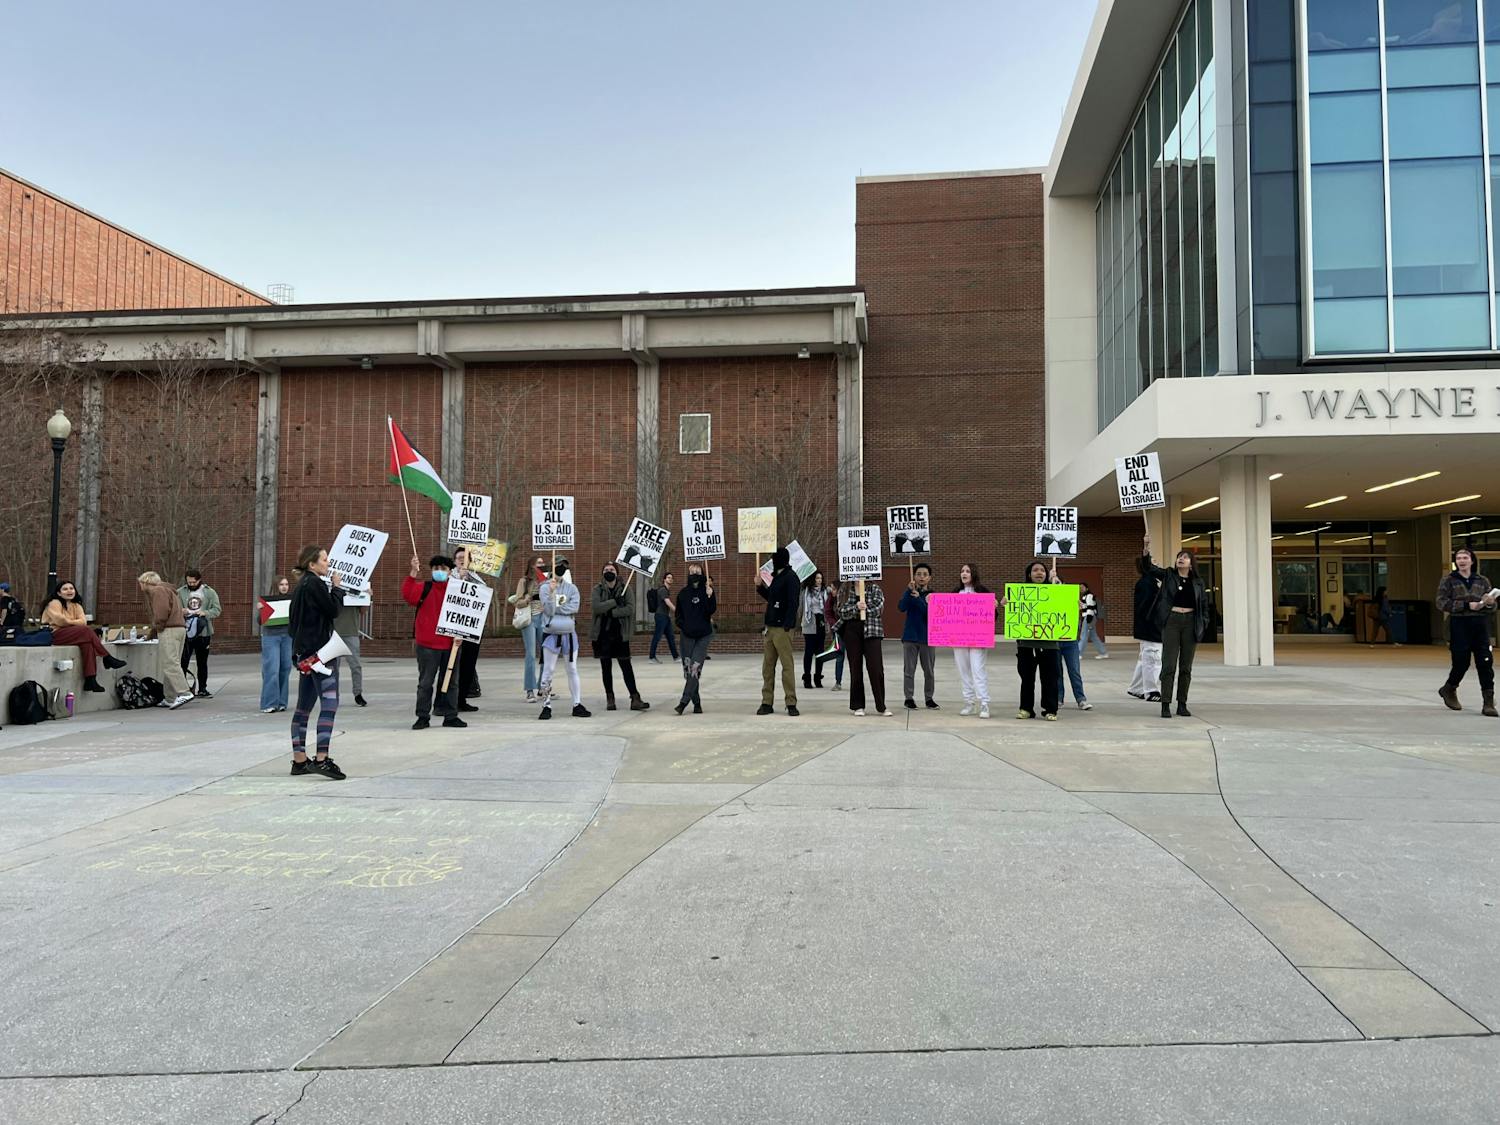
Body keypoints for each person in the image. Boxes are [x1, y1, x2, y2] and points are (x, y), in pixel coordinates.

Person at [288, 545, 347, 779]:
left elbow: (294, 624)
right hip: (321, 654)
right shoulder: (315, 583)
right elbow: (333, 610)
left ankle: (299, 760)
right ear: (312, 564)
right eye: (324, 559)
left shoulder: (301, 585)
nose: (328, 563)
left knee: (303, 707)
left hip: (305, 655)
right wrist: (338, 588)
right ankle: (321, 759)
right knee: (329, 705)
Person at [1141, 532, 1210, 718]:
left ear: (1191, 562)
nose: (1181, 559)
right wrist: (1146, 546)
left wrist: (1202, 625)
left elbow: (1204, 606)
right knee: (1169, 664)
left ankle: (1182, 703)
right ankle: (1165, 704)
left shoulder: (1198, 582)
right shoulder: (1169, 575)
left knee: (1186, 667)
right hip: (1171, 621)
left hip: (1191, 623)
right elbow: (1148, 568)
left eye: (1185, 557)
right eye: (1179, 557)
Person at [401, 554, 467, 731]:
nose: (439, 572)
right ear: (431, 571)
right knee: (425, 683)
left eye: (443, 569)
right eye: (436, 569)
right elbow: (408, 595)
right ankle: (422, 716)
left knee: (452, 682)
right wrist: (413, 572)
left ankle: (451, 715)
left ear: (449, 571)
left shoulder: (457, 589)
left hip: (452, 644)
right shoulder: (424, 587)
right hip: (427, 645)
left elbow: (467, 612)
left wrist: (462, 633)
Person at [1436, 546, 1497, 717]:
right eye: (1459, 558)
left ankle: (1488, 701)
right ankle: (1450, 688)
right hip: (1459, 624)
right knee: (1461, 662)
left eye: (1465, 558)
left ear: (1472, 560)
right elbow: (1441, 603)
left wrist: (1490, 602)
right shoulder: (1448, 580)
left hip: (1480, 624)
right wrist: (1465, 605)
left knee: (1485, 662)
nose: (1461, 561)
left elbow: (1492, 606)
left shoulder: (1482, 580)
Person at [40, 581, 127, 692]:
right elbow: (60, 621)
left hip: (72, 634)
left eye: (71, 588)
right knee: (86, 631)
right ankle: (106, 657)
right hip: (54, 634)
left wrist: (69, 622)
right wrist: (74, 622)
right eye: (65, 589)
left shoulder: (77, 605)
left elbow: (83, 622)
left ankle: (90, 680)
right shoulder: (54, 603)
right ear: (59, 593)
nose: (69, 591)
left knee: (87, 644)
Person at [591, 562, 649, 711]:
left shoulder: (626, 588)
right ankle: (610, 698)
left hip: (620, 633)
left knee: (626, 666)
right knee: (606, 667)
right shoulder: (597, 589)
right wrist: (614, 602)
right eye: (606, 570)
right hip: (602, 634)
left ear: (617, 572)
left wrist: (612, 612)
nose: (608, 572)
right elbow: (597, 607)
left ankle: (635, 697)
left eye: (611, 570)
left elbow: (630, 609)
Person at [1009, 560, 1063, 721]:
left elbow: (1064, 609)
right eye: (1035, 570)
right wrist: (1007, 602)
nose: (1039, 573)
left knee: (1050, 679)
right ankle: (1026, 709)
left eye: (1042, 570)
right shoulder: (1020, 593)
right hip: (1026, 644)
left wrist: (1072, 603)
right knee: (1027, 679)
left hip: (1049, 644)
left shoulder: (1055, 591)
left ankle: (1050, 709)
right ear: (1029, 574)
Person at [538, 557, 589, 720]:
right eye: (559, 564)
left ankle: (577, 703)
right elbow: (548, 610)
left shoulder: (572, 588)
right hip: (551, 633)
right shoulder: (544, 588)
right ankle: (546, 705)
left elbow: (574, 607)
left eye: (565, 566)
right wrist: (552, 594)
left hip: (569, 633)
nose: (562, 568)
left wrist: (558, 608)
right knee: (549, 670)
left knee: (572, 669)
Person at [137, 571, 193, 709]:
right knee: (173, 663)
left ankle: (184, 692)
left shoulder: (158, 591)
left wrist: (159, 627)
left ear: (146, 582)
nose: (140, 586)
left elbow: (161, 613)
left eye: (140, 583)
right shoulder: (169, 590)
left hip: (169, 629)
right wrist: (151, 633)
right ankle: (170, 697)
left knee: (170, 663)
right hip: (179, 629)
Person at [756, 546, 801, 716]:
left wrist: (788, 625)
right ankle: (766, 702)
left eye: (774, 558)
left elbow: (793, 603)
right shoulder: (777, 577)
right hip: (770, 626)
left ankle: (791, 702)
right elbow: (772, 598)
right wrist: (760, 587)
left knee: (786, 667)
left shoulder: (791, 578)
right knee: (768, 667)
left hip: (782, 628)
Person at [838, 579, 891, 717]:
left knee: (876, 668)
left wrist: (865, 608)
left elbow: (879, 608)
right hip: (852, 631)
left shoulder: (874, 588)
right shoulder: (845, 588)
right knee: (855, 668)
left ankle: (881, 706)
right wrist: (856, 607)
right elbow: (841, 610)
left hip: (872, 630)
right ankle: (858, 705)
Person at [674, 563, 717, 714]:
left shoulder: (707, 591)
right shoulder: (683, 593)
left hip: (703, 636)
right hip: (687, 636)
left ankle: (683, 701)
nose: (695, 573)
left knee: (695, 668)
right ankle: (697, 702)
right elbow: (678, 615)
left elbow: (711, 610)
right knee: (688, 670)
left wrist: (710, 596)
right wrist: (683, 626)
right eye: (692, 571)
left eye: (697, 571)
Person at [952, 563, 992, 718]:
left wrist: (993, 607)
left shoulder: (982, 592)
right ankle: (969, 702)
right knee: (964, 671)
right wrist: (931, 601)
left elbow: (992, 616)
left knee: (978, 669)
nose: (964, 573)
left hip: (978, 638)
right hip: (959, 638)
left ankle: (984, 703)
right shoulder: (956, 592)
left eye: (967, 571)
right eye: (962, 571)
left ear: (973, 574)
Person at [899, 563, 939, 710]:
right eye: (918, 574)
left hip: (927, 638)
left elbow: (931, 614)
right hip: (910, 637)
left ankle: (929, 698)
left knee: (929, 670)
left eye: (924, 574)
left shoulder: (932, 595)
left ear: (929, 578)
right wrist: (908, 592)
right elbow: (901, 607)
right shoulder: (909, 593)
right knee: (909, 670)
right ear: (914, 576)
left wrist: (919, 600)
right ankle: (908, 698)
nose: (921, 577)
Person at [177, 568, 222, 698]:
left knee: (202, 661)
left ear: (199, 580)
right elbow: (174, 609)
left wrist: (205, 613)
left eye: (193, 582)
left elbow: (217, 610)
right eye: (188, 582)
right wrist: (182, 611)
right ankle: (182, 688)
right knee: (183, 661)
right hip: (186, 630)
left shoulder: (209, 592)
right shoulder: (180, 592)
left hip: (203, 631)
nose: (191, 585)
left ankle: (202, 688)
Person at [1127, 557, 1164, 703]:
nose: (1158, 564)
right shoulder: (1148, 584)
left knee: (1145, 658)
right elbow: (1149, 608)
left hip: (1149, 627)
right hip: (1151, 627)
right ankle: (1151, 690)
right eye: (1154, 562)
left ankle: (1136, 688)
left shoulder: (1150, 582)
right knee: (1153, 659)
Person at [509, 557, 546, 702]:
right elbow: (517, 602)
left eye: (543, 563)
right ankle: (530, 690)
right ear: (531, 565)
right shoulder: (524, 581)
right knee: (531, 654)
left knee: (546, 654)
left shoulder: (546, 580)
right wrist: (528, 598)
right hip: (529, 619)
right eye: (539, 563)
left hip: (543, 619)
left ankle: (543, 686)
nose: (541, 565)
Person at [450, 546, 483, 704]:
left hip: (471, 627)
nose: (462, 560)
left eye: (465, 558)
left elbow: (484, 593)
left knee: (469, 663)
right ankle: (449, 698)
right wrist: (459, 579)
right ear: (454, 561)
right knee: (452, 663)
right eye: (459, 558)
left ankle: (462, 698)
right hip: (454, 626)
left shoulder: (475, 576)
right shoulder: (449, 576)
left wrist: (468, 576)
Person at [259, 575, 293, 713]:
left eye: (286, 584)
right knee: (272, 669)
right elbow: (259, 621)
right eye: (281, 584)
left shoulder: (292, 600)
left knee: (285, 668)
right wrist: (261, 610)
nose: (284, 587)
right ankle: (269, 703)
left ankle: (281, 701)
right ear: (276, 586)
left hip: (287, 636)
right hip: (271, 637)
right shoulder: (268, 601)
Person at [1057, 577, 1091, 711]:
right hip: (1055, 640)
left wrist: (1079, 607)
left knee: (1074, 671)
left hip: (1070, 641)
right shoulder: (1051, 604)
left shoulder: (1074, 602)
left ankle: (1081, 699)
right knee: (1057, 672)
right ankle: (1059, 698)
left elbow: (1082, 614)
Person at [333, 598, 368, 707]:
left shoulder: (356, 589)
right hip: (334, 633)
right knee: (334, 668)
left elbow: (362, 611)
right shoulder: (332, 589)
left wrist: (366, 598)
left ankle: (358, 693)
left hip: (351, 632)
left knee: (356, 666)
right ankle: (334, 695)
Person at [813, 579, 847, 689]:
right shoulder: (831, 599)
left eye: (834, 588)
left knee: (853, 656)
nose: (832, 591)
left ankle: (856, 681)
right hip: (837, 630)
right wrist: (834, 624)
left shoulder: (846, 598)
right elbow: (827, 612)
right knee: (840, 655)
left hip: (849, 629)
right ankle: (838, 682)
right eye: (831, 588)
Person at [801, 570, 827, 689]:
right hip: (809, 621)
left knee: (820, 653)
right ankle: (807, 678)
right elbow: (801, 607)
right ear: (813, 579)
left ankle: (818, 678)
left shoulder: (825, 592)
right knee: (809, 652)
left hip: (821, 621)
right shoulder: (806, 592)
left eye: (821, 578)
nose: (819, 581)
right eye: (817, 578)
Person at [648, 571, 679, 663]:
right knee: (657, 636)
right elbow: (667, 602)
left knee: (670, 637)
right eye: (668, 577)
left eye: (671, 578)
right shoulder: (663, 590)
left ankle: (676, 657)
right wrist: (677, 611)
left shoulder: (666, 590)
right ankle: (652, 657)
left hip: (665, 616)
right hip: (661, 616)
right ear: (664, 579)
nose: (670, 579)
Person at [1080, 582, 1108, 659]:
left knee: (1084, 635)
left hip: (1089, 617)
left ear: (1087, 588)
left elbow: (1090, 608)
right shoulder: (1085, 596)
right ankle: (1103, 652)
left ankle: (1078, 653)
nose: (1081, 589)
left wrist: (1088, 619)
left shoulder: (1089, 596)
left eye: (1082, 587)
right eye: (1080, 588)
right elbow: (1087, 607)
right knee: (1093, 636)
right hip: (1090, 617)